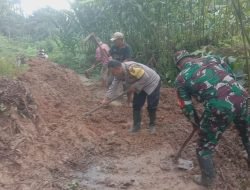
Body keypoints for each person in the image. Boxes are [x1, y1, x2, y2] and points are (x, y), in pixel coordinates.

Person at [174, 50, 250, 187]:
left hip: (219, 106)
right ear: (191, 56)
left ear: (179, 65)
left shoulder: (181, 78)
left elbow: (186, 107)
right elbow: (230, 75)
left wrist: (196, 123)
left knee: (204, 147)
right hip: (242, 96)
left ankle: (207, 180)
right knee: (247, 134)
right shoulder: (213, 58)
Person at [102, 59, 161, 134]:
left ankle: (152, 125)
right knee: (136, 104)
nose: (113, 74)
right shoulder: (118, 74)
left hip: (152, 82)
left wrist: (134, 86)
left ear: (118, 68)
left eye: (113, 72)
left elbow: (145, 77)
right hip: (140, 85)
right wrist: (107, 98)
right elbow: (114, 86)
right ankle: (136, 126)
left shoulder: (131, 68)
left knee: (151, 105)